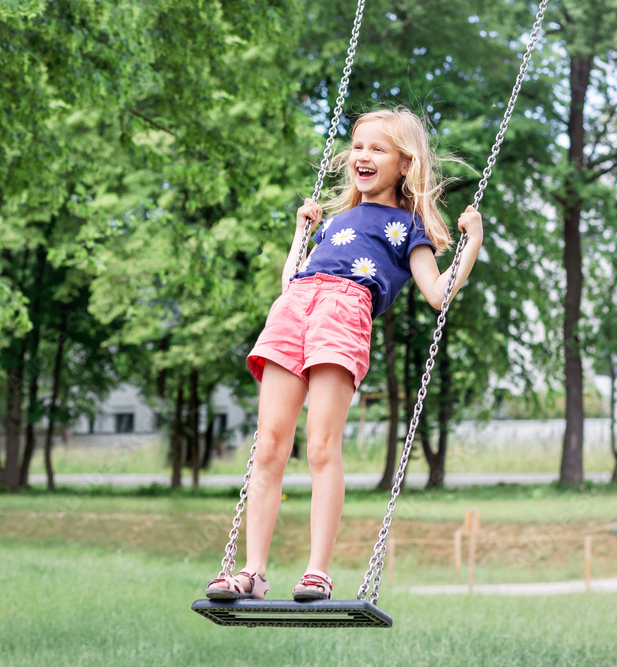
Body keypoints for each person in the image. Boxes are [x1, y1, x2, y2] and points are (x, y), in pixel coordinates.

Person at [205, 107, 483, 601]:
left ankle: (317, 571)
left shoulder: (408, 226)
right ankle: (253, 571)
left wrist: (472, 242)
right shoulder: (335, 220)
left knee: (320, 445)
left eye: (378, 148)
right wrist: (301, 231)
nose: (363, 156)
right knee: (268, 445)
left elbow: (438, 293)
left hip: (343, 310)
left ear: (405, 164)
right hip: (294, 307)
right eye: (358, 146)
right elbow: (292, 279)